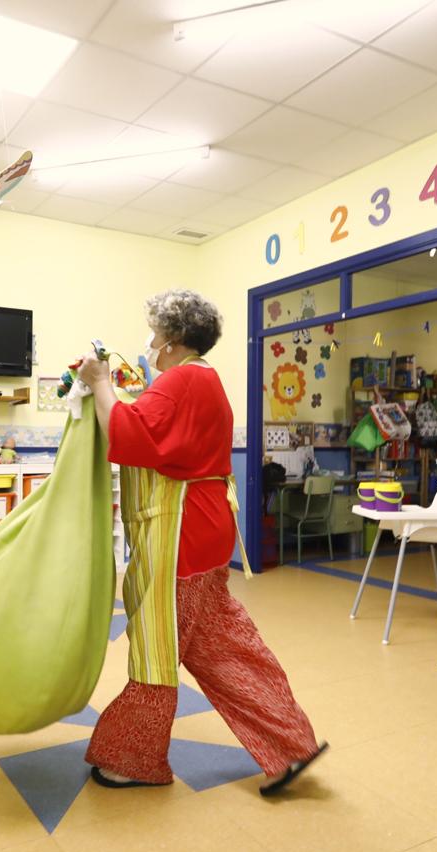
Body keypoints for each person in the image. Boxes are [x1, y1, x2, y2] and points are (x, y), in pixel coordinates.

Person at [76, 288, 327, 796]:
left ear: (171, 340)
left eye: (153, 335)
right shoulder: (204, 379)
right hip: (207, 530)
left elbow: (128, 435)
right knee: (224, 646)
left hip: (180, 536)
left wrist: (101, 382)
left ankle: (133, 758)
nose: (149, 344)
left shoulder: (183, 379)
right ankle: (290, 745)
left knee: (158, 646)